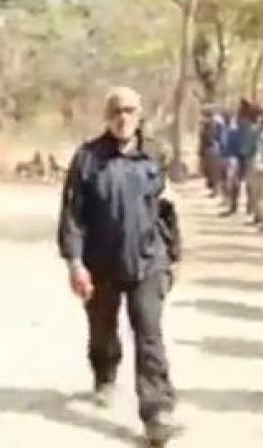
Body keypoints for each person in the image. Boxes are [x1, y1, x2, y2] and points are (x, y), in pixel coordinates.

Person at [57, 86, 179, 447]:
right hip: (101, 263)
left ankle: (157, 412)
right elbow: (72, 216)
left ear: (139, 115)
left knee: (149, 334)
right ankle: (105, 372)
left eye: (129, 111)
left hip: (147, 261)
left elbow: (167, 211)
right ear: (107, 117)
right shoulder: (88, 158)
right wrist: (75, 263)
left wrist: (174, 257)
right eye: (116, 112)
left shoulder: (155, 155)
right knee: (103, 329)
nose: (123, 118)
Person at [223, 100, 258, 217]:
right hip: (238, 157)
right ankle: (234, 206)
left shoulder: (251, 129)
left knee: (249, 184)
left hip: (248, 158)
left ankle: (250, 207)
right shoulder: (238, 129)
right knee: (235, 183)